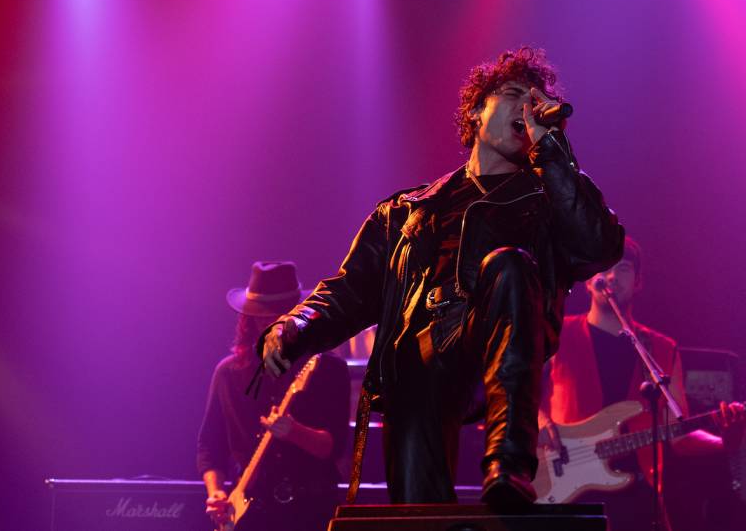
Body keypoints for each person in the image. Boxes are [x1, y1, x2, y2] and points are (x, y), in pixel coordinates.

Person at [259, 47, 624, 508]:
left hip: (500, 342)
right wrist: (297, 325)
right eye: (513, 95)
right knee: (417, 509)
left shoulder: (549, 199)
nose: (525, 108)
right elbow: (351, 288)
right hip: (420, 360)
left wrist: (553, 156)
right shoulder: (408, 210)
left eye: (535, 102)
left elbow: (600, 245)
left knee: (508, 265)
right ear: (476, 110)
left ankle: (509, 466)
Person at [539, 236, 746, 530]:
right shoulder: (557, 334)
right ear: (588, 280)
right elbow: (517, 394)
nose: (612, 276)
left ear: (638, 282)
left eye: (623, 268)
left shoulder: (660, 349)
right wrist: (541, 423)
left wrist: (726, 440)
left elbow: (678, 434)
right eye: (604, 268)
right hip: (566, 488)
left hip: (637, 496)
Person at [198, 261, 349, 530]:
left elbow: (334, 447)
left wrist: (295, 432)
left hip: (310, 510)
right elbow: (210, 447)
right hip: (249, 512)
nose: (267, 322)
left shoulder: (327, 368)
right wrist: (216, 492)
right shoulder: (228, 373)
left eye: (276, 314)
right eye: (259, 315)